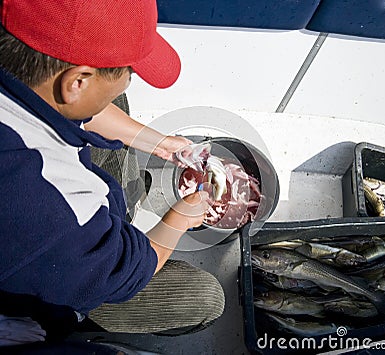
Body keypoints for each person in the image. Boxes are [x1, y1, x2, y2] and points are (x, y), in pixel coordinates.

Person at [0, 0, 225, 343]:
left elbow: (77, 107)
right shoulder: (54, 212)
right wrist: (180, 217)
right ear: (77, 81)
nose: (130, 78)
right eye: (128, 73)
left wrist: (163, 144)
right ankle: (80, 330)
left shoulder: (20, 66)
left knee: (113, 103)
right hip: (43, 293)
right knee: (205, 297)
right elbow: (132, 267)